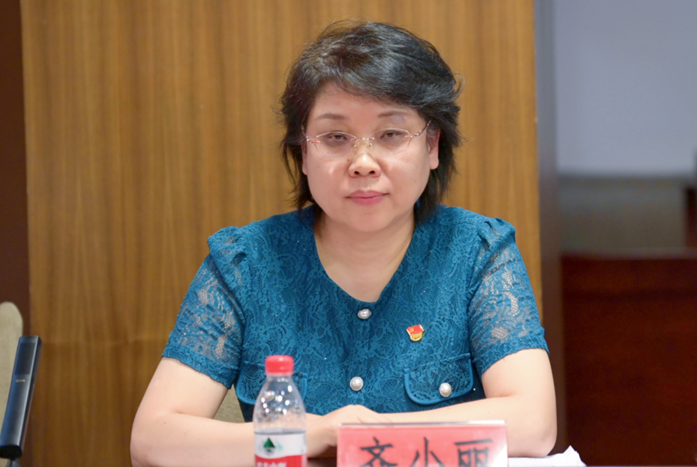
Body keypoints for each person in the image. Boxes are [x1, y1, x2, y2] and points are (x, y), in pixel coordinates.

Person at [131, 20, 556, 467]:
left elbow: (534, 423)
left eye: (391, 135)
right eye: (336, 137)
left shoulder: (478, 252)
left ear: (432, 146)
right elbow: (153, 439)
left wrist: (364, 437)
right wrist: (316, 434)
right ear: (303, 153)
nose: (363, 162)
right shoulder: (245, 263)